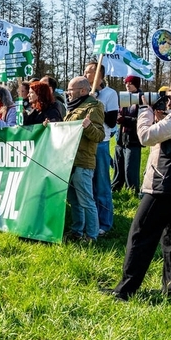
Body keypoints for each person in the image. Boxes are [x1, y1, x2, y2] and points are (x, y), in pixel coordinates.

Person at [106, 79, 171, 300]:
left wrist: (144, 109)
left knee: (139, 235)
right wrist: (162, 118)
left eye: (170, 95)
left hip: (165, 185)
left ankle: (125, 290)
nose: (166, 100)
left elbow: (146, 136)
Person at [63, 77, 105, 241]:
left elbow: (99, 136)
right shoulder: (73, 108)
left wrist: (88, 126)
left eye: (70, 90)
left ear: (82, 90)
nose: (68, 93)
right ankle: (76, 231)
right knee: (74, 200)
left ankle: (92, 235)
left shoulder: (93, 107)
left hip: (83, 162)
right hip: (69, 161)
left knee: (86, 201)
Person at [85, 62, 118, 237]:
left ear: (100, 75)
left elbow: (112, 122)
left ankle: (105, 223)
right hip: (86, 144)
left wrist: (96, 103)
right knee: (89, 185)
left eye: (89, 72)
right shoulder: (84, 93)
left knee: (102, 183)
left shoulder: (109, 94)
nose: (86, 74)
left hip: (101, 142)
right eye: (84, 71)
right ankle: (92, 219)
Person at [112, 75, 144, 192]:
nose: (127, 85)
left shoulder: (142, 100)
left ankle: (133, 191)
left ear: (136, 84)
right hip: (121, 137)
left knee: (130, 168)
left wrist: (124, 119)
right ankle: (116, 188)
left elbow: (141, 120)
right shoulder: (123, 98)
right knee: (118, 165)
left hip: (133, 138)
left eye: (130, 83)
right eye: (126, 83)